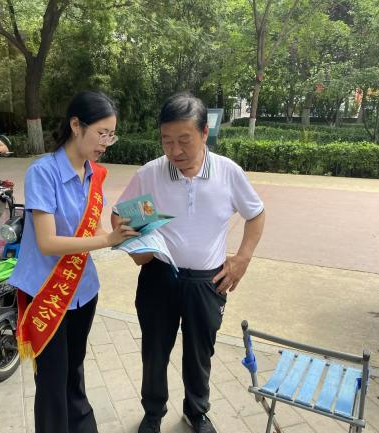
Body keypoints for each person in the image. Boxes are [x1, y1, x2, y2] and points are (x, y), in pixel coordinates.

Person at [112, 93, 265, 433]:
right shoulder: (151, 174)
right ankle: (153, 413)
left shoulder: (227, 173)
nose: (175, 150)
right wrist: (137, 246)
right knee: (154, 351)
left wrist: (242, 258)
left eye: (184, 140)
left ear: (205, 133)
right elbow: (120, 216)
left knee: (199, 353)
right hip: (159, 277)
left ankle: (196, 412)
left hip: (208, 282)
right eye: (167, 140)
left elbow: (256, 214)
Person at [7, 91, 139, 433]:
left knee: (74, 371)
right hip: (46, 292)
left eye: (112, 135)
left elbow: (92, 229)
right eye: (102, 133)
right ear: (76, 125)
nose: (106, 143)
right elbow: (48, 242)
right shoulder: (43, 172)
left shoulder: (94, 174)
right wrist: (107, 240)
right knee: (52, 381)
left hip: (84, 291)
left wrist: (129, 233)